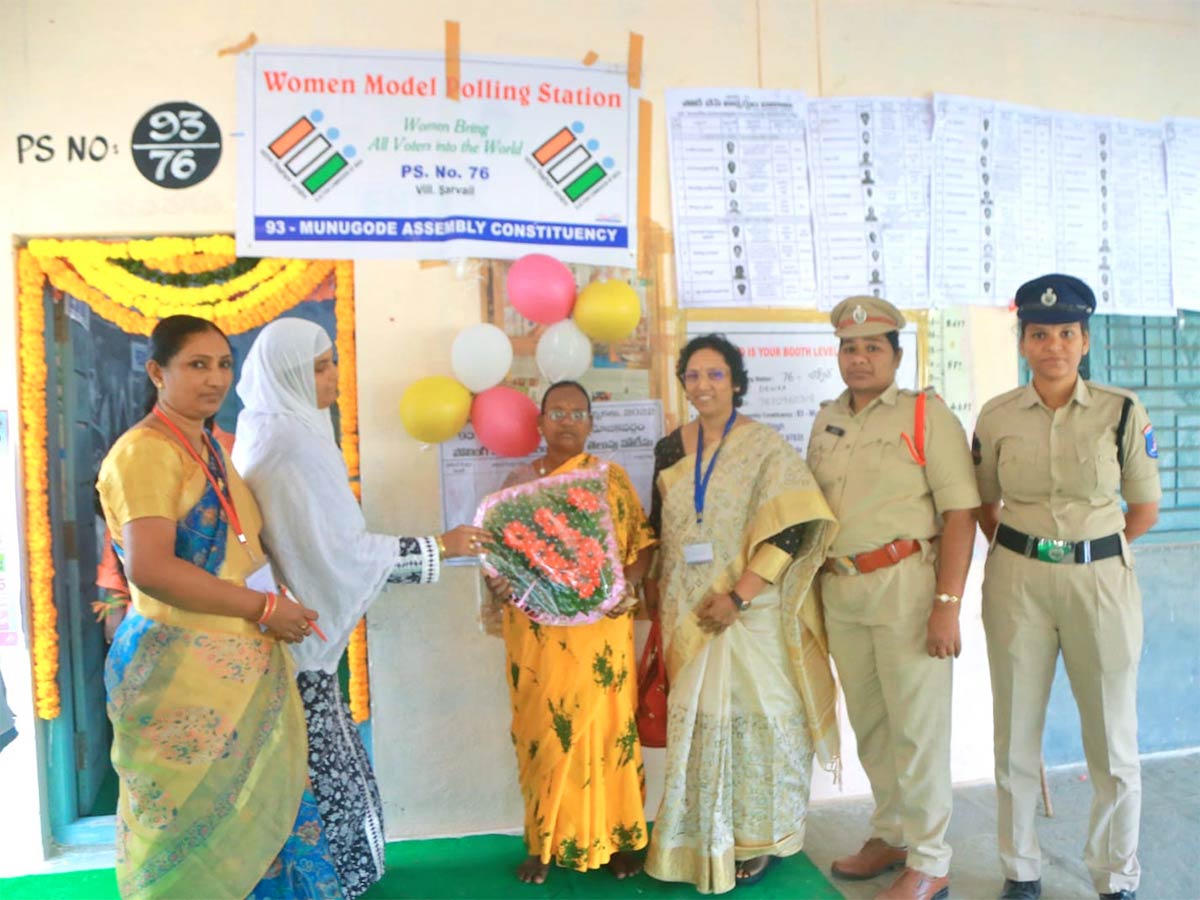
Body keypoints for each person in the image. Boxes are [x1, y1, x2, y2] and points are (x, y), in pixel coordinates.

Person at [232, 317, 490, 899]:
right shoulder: (288, 444)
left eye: (331, 364)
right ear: (290, 375)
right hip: (296, 646)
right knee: (318, 772)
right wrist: (438, 547)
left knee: (324, 764)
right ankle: (321, 884)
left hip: (288, 633)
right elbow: (337, 555)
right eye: (320, 368)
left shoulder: (269, 426)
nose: (334, 379)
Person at [96, 315, 339, 899]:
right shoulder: (145, 454)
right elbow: (151, 569)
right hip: (179, 676)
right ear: (157, 372)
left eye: (223, 364)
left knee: (257, 813)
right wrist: (262, 607)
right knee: (187, 828)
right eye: (196, 365)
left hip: (240, 665)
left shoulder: (207, 443)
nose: (214, 379)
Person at [973, 275, 1160, 900]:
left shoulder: (1122, 409)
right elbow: (984, 502)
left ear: (1084, 340)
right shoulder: (997, 415)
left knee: (1113, 740)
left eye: (1066, 334)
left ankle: (1115, 877)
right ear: (1024, 342)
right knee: (1015, 735)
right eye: (1039, 333)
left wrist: (1090, 550)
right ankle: (1020, 870)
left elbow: (1144, 508)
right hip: (1017, 583)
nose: (1053, 344)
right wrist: (1031, 550)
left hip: (1100, 581)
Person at [643, 334, 839, 894]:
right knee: (700, 722)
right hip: (689, 608)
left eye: (715, 375)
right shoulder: (669, 450)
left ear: (735, 381)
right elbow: (663, 529)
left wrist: (740, 595)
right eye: (694, 376)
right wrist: (653, 586)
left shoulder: (766, 448)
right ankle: (699, 836)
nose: (703, 385)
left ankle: (762, 839)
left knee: (761, 721)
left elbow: (795, 528)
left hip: (748, 611)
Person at [807, 297, 980, 900]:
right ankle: (891, 834)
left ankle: (931, 861)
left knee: (918, 729)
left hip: (906, 585)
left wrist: (948, 603)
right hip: (841, 588)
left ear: (896, 355)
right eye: (849, 347)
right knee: (872, 724)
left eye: (872, 347)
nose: (859, 358)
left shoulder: (927, 415)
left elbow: (962, 511)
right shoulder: (827, 419)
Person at [480, 380, 657, 885]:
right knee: (545, 733)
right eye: (557, 412)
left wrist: (633, 583)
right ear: (539, 423)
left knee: (607, 731)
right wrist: (497, 582)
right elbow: (498, 559)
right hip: (537, 636)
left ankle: (622, 839)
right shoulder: (516, 486)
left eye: (577, 413)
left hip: (600, 631)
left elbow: (641, 547)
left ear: (590, 423)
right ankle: (544, 842)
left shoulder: (608, 480)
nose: (567, 421)